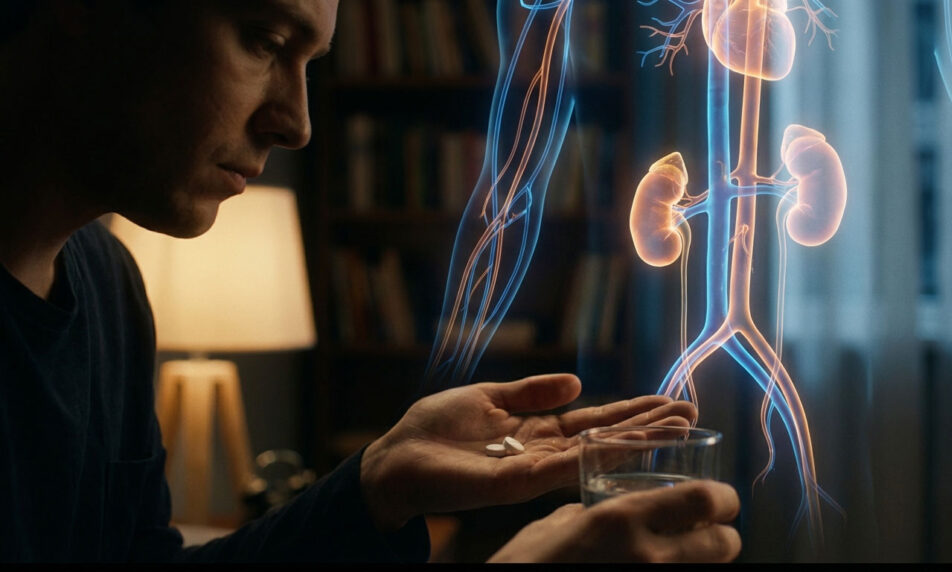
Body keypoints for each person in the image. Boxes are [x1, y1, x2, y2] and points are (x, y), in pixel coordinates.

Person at [0, 0, 741, 563]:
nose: (296, 124)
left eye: (310, 65)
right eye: (265, 41)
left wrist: (376, 485)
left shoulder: (108, 284)